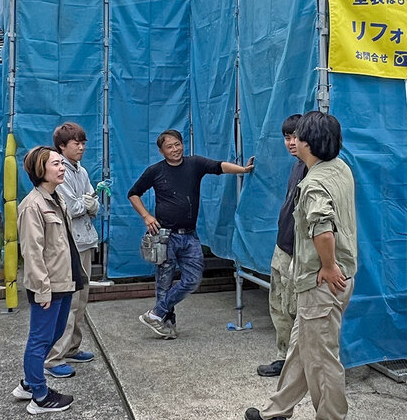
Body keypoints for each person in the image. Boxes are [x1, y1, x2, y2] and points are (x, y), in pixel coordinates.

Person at [246, 111, 358, 420]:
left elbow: (322, 227)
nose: (292, 141)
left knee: (322, 359)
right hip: (343, 275)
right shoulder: (341, 168)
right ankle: (277, 410)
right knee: (300, 348)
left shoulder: (313, 183)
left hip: (322, 283)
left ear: (308, 143)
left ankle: (331, 416)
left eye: (297, 136)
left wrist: (328, 265)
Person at [128, 129, 254, 339]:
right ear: (161, 151)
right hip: (165, 236)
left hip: (190, 235)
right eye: (169, 146)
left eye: (178, 144)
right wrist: (146, 217)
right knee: (164, 283)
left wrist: (243, 169)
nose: (175, 149)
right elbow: (133, 193)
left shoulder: (194, 164)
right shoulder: (155, 171)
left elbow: (218, 167)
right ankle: (167, 324)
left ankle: (156, 314)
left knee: (193, 279)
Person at [11, 146, 85, 415]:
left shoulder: (55, 199)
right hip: (48, 286)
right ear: (40, 170)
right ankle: (39, 395)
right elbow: (32, 253)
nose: (62, 167)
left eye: (62, 164)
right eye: (56, 164)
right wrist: (42, 291)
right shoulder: (32, 205)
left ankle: (29, 383)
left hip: (64, 281)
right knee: (40, 339)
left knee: (54, 334)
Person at [44, 122, 100, 378]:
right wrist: (87, 203)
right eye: (75, 143)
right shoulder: (59, 171)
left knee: (82, 299)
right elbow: (69, 208)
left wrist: (89, 204)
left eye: (83, 142)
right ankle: (54, 358)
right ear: (61, 146)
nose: (81, 147)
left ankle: (72, 347)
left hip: (85, 239)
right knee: (68, 301)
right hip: (68, 244)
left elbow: (91, 205)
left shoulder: (82, 170)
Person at [257, 114, 307, 378]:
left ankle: (297, 362)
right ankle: (283, 356)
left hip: (301, 253)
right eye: (287, 138)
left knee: (296, 306)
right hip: (283, 245)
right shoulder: (297, 165)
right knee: (278, 304)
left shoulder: (315, 168)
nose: (291, 143)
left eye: (295, 137)